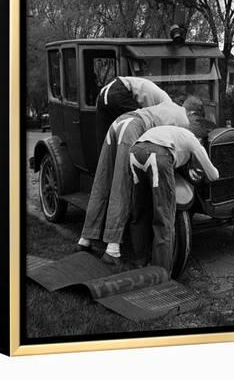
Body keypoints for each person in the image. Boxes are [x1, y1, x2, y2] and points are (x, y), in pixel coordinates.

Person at [77, 100, 195, 264]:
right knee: (123, 184)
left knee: (102, 181)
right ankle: (112, 249)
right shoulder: (184, 119)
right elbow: (178, 142)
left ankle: (85, 239)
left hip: (118, 123)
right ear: (192, 113)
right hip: (133, 127)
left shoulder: (167, 105)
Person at [129, 125, 219, 275]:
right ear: (200, 139)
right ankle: (161, 271)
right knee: (164, 217)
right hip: (158, 155)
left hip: (135, 152)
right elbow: (213, 175)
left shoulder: (174, 132)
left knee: (140, 211)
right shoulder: (193, 141)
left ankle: (140, 261)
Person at [95, 76, 171, 153]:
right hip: (119, 90)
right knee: (135, 128)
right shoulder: (167, 105)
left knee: (106, 138)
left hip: (106, 91)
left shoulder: (162, 100)